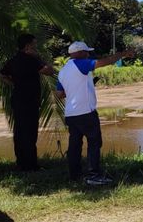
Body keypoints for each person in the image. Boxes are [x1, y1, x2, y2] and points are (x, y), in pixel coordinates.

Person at [55, 41, 133, 185]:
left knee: (74, 145)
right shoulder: (81, 63)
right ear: (79, 53)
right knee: (94, 142)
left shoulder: (63, 70)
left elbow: (59, 94)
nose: (88, 54)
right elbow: (104, 62)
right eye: (86, 52)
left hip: (71, 114)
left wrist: (74, 89)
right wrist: (122, 54)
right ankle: (93, 175)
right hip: (85, 112)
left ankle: (75, 175)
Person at [0, 34, 54, 171]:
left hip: (18, 99)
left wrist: (14, 84)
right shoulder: (32, 60)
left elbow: (1, 75)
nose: (36, 47)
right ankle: (31, 165)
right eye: (34, 44)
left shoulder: (13, 60)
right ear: (28, 45)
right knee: (30, 132)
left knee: (19, 132)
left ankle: (21, 162)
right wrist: (39, 58)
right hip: (30, 100)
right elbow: (49, 71)